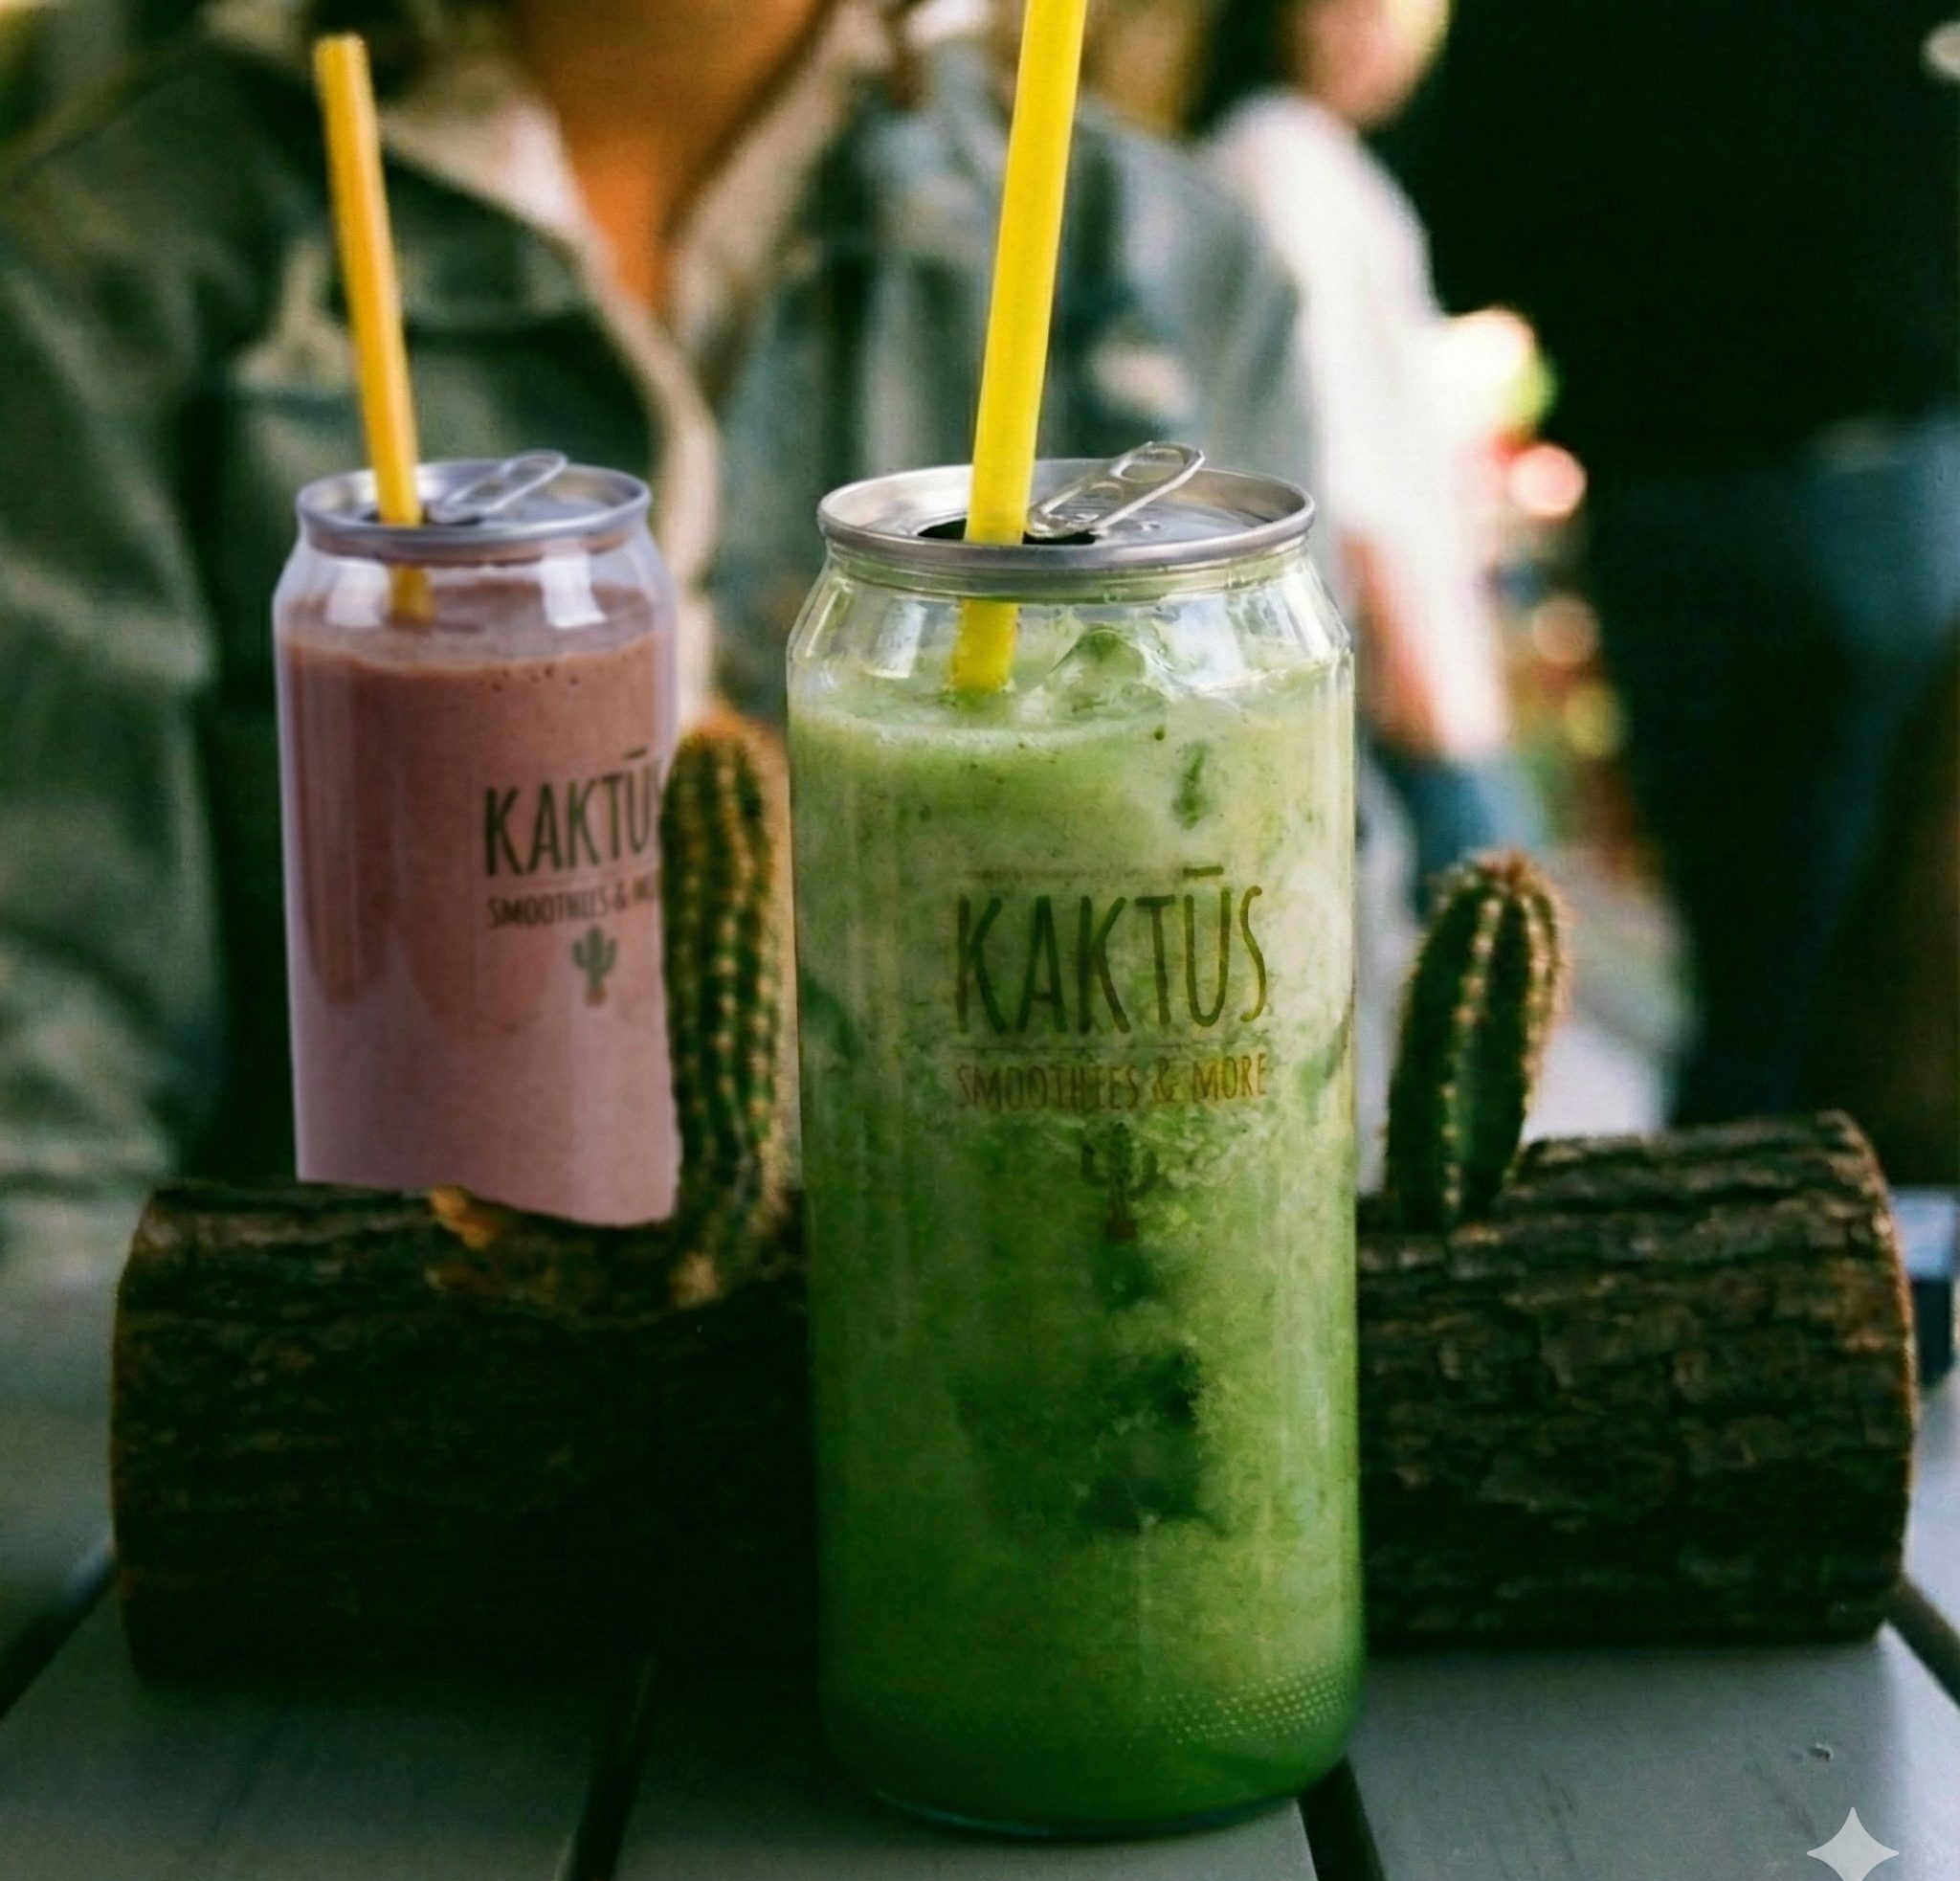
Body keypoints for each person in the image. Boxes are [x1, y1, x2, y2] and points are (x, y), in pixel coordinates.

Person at [0, 0, 1318, 1305]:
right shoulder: (109, 265)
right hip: (374, 1438)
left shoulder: (1161, 270)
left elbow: (1292, 1054)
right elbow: (48, 1099)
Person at [1398, 0, 1960, 1127]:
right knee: (1869, 970)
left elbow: (1462, 235)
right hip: (1857, 485)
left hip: (1670, 499)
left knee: (1759, 962)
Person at [1195, 0, 1537, 903]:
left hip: (1409, 658)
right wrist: (1420, 686)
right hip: (1390, 671)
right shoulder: (1277, 157)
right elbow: (1333, 445)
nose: (1378, 31)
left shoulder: (1325, 161)